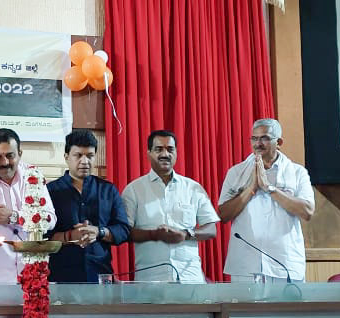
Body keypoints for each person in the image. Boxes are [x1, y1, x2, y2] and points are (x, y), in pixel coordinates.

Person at [219, 119, 314, 282]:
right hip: (246, 263)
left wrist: (269, 188)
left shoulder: (297, 172)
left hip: (284, 262)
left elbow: (307, 212)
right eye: (254, 138)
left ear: (279, 142)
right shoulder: (236, 172)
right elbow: (223, 215)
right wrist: (251, 188)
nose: (258, 144)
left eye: (264, 138)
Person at [122, 130, 219, 283]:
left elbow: (211, 229)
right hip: (150, 279)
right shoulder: (133, 190)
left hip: (189, 278)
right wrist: (154, 235)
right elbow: (124, 232)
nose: (165, 154)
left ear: (176, 153)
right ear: (148, 153)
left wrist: (185, 234)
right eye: (159, 149)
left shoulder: (193, 188)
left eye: (170, 149)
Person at [0, 128, 55, 284]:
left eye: (10, 155)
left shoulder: (33, 176)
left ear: (19, 153)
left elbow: (50, 219)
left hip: (29, 276)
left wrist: (14, 216)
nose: (4, 162)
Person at [46, 129, 130, 283]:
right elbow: (43, 237)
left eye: (90, 156)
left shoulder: (108, 190)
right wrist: (70, 236)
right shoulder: (50, 191)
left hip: (100, 274)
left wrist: (99, 232)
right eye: (78, 155)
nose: (84, 161)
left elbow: (124, 230)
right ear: (66, 157)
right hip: (62, 276)